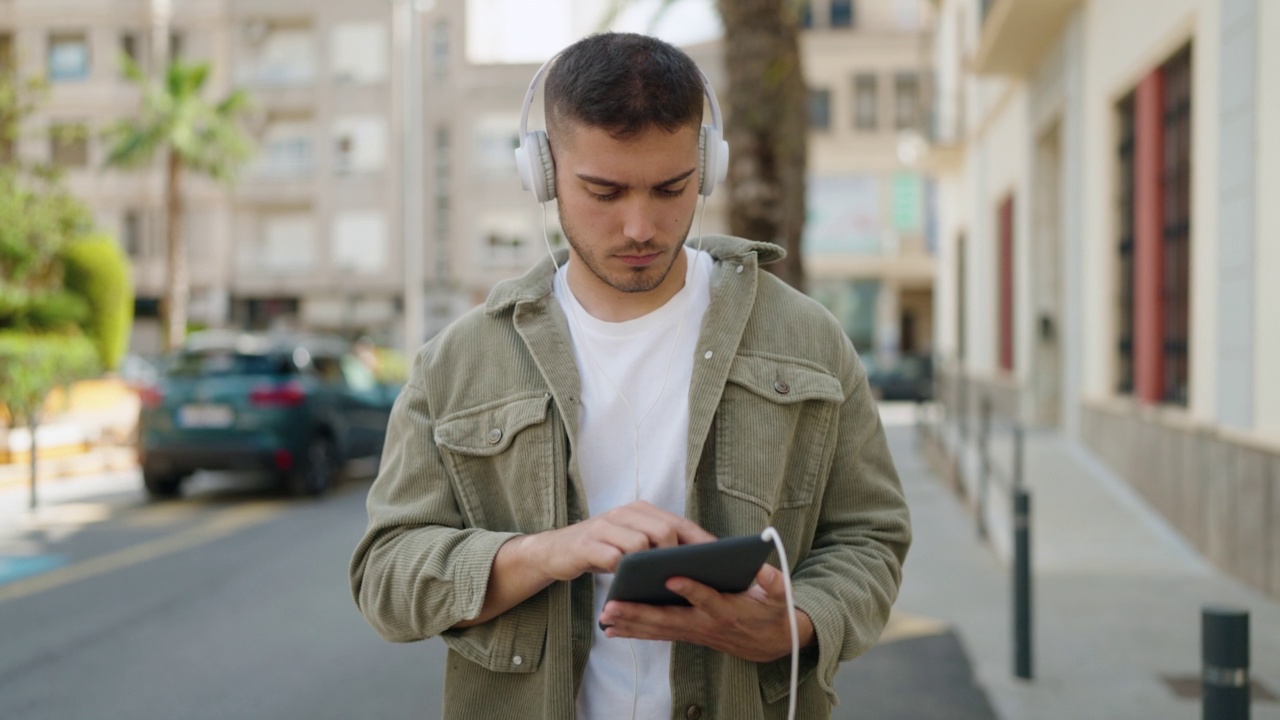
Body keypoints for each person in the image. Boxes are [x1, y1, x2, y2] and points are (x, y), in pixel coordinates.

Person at [349, 32, 911, 720]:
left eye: (670, 189)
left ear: (707, 167)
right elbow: (387, 577)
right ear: (543, 171)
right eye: (604, 191)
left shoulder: (805, 337)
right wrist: (546, 553)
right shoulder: (458, 361)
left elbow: (870, 536)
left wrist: (796, 624)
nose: (640, 226)